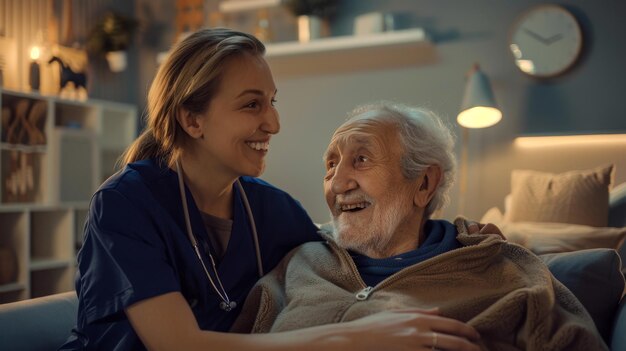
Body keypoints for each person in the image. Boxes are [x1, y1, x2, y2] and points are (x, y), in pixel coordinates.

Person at [59, 29, 484, 351]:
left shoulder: (272, 209)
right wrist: (354, 338)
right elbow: (181, 345)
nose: (273, 124)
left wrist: (461, 239)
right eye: (251, 104)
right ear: (193, 120)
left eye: (271, 102)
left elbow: (352, 244)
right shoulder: (125, 204)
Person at [231, 101, 608, 351]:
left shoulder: (503, 270)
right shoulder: (301, 262)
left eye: (361, 159)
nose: (337, 182)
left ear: (424, 184)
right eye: (331, 164)